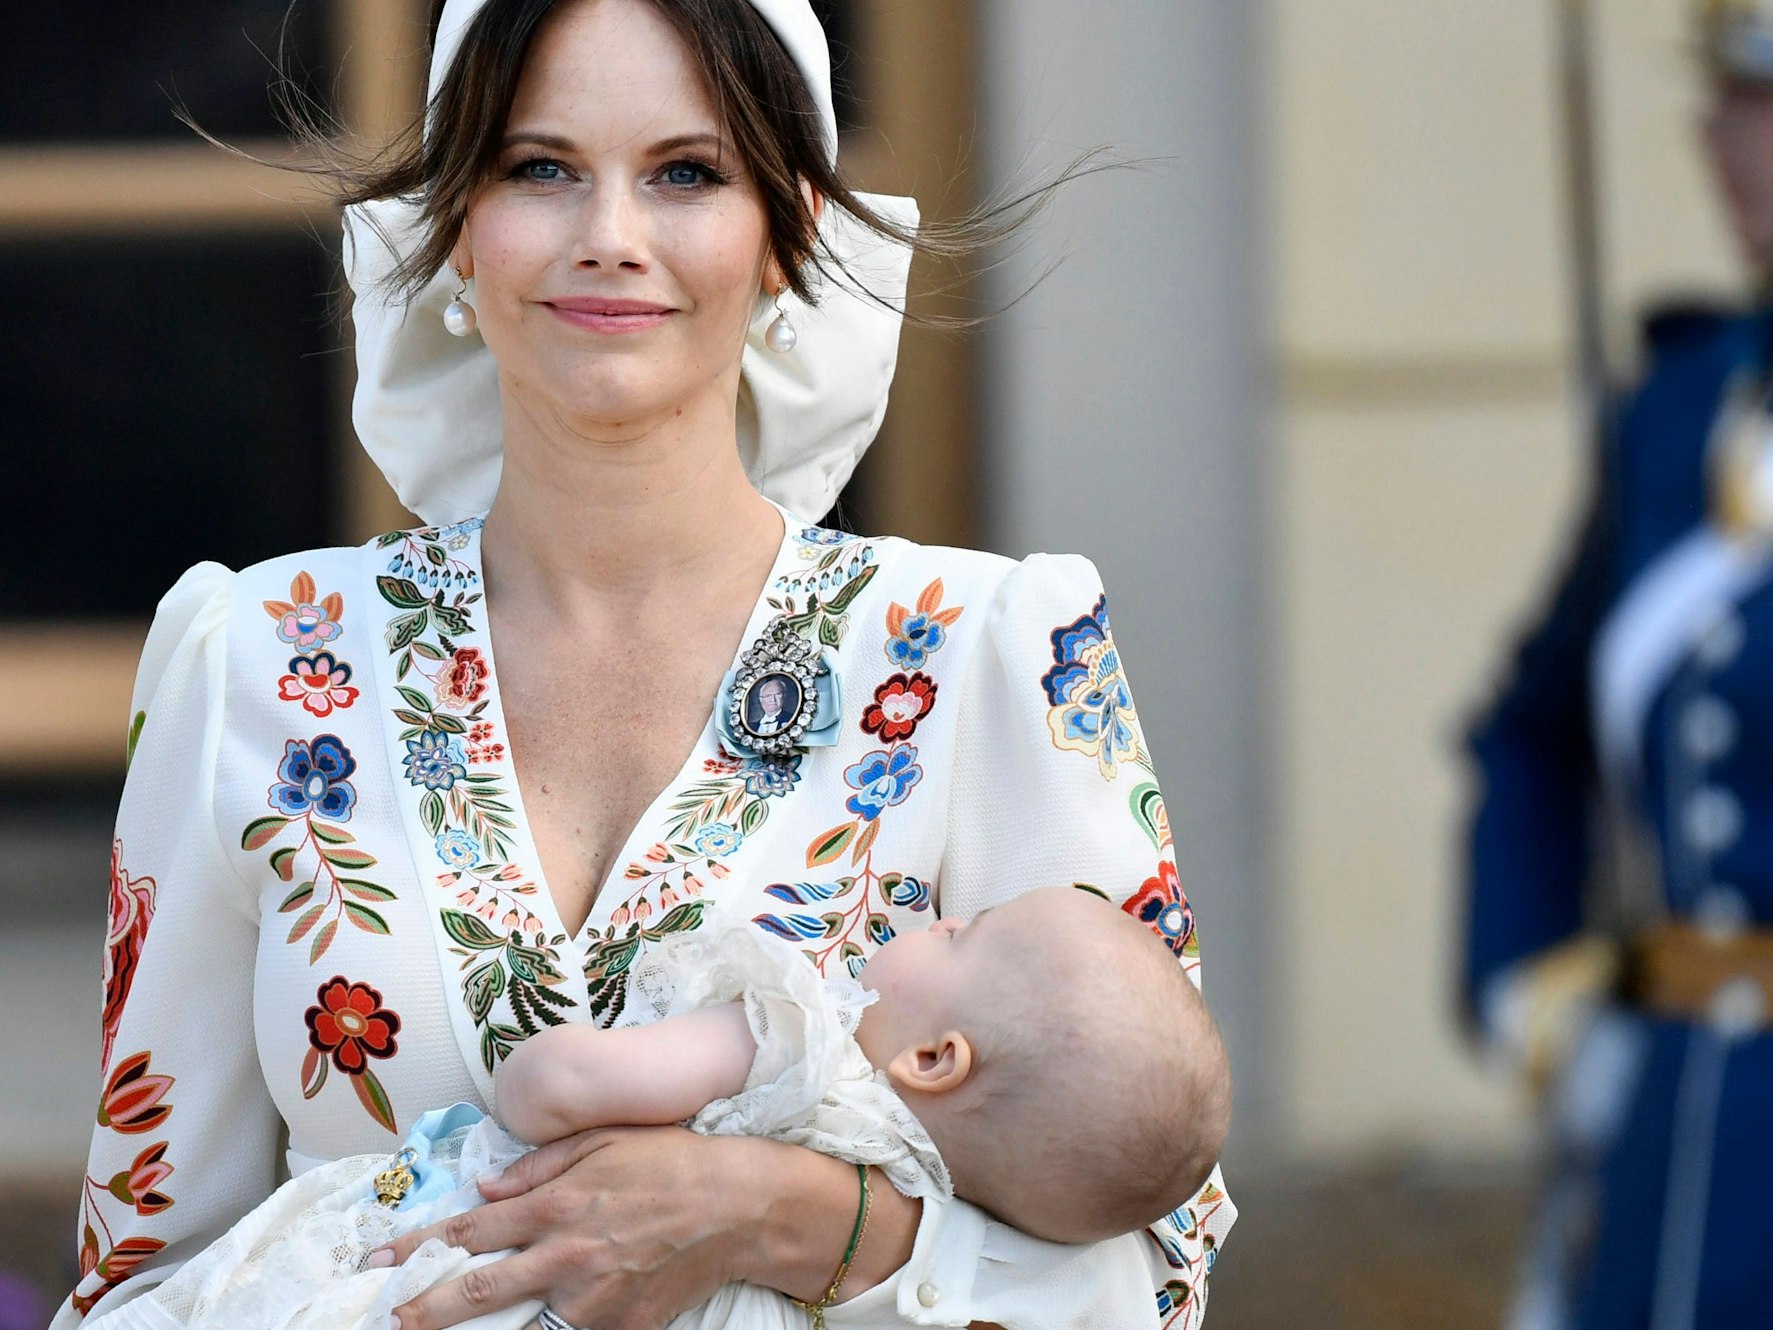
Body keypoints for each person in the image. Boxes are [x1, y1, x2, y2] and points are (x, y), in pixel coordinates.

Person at [54, 1, 1235, 1328]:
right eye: (537, 167)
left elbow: (1157, 1269)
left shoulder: (985, 650)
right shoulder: (251, 657)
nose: (609, 236)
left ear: (787, 233)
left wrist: (791, 1216)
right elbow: (138, 1274)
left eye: (687, 172)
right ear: (452, 226)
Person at [85, 889, 1231, 1330]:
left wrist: (541, 1064)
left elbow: (557, 1091)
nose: (928, 925)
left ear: (936, 1054)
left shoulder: (793, 1042)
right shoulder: (950, 1187)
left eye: (960, 932)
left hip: (451, 1258)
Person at [1465, 3, 1773, 1326]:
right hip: (1673, 1142)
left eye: (1761, 106)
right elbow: (1532, 725)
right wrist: (1528, 969)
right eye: (1725, 101)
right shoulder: (1681, 406)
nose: (1720, 139)